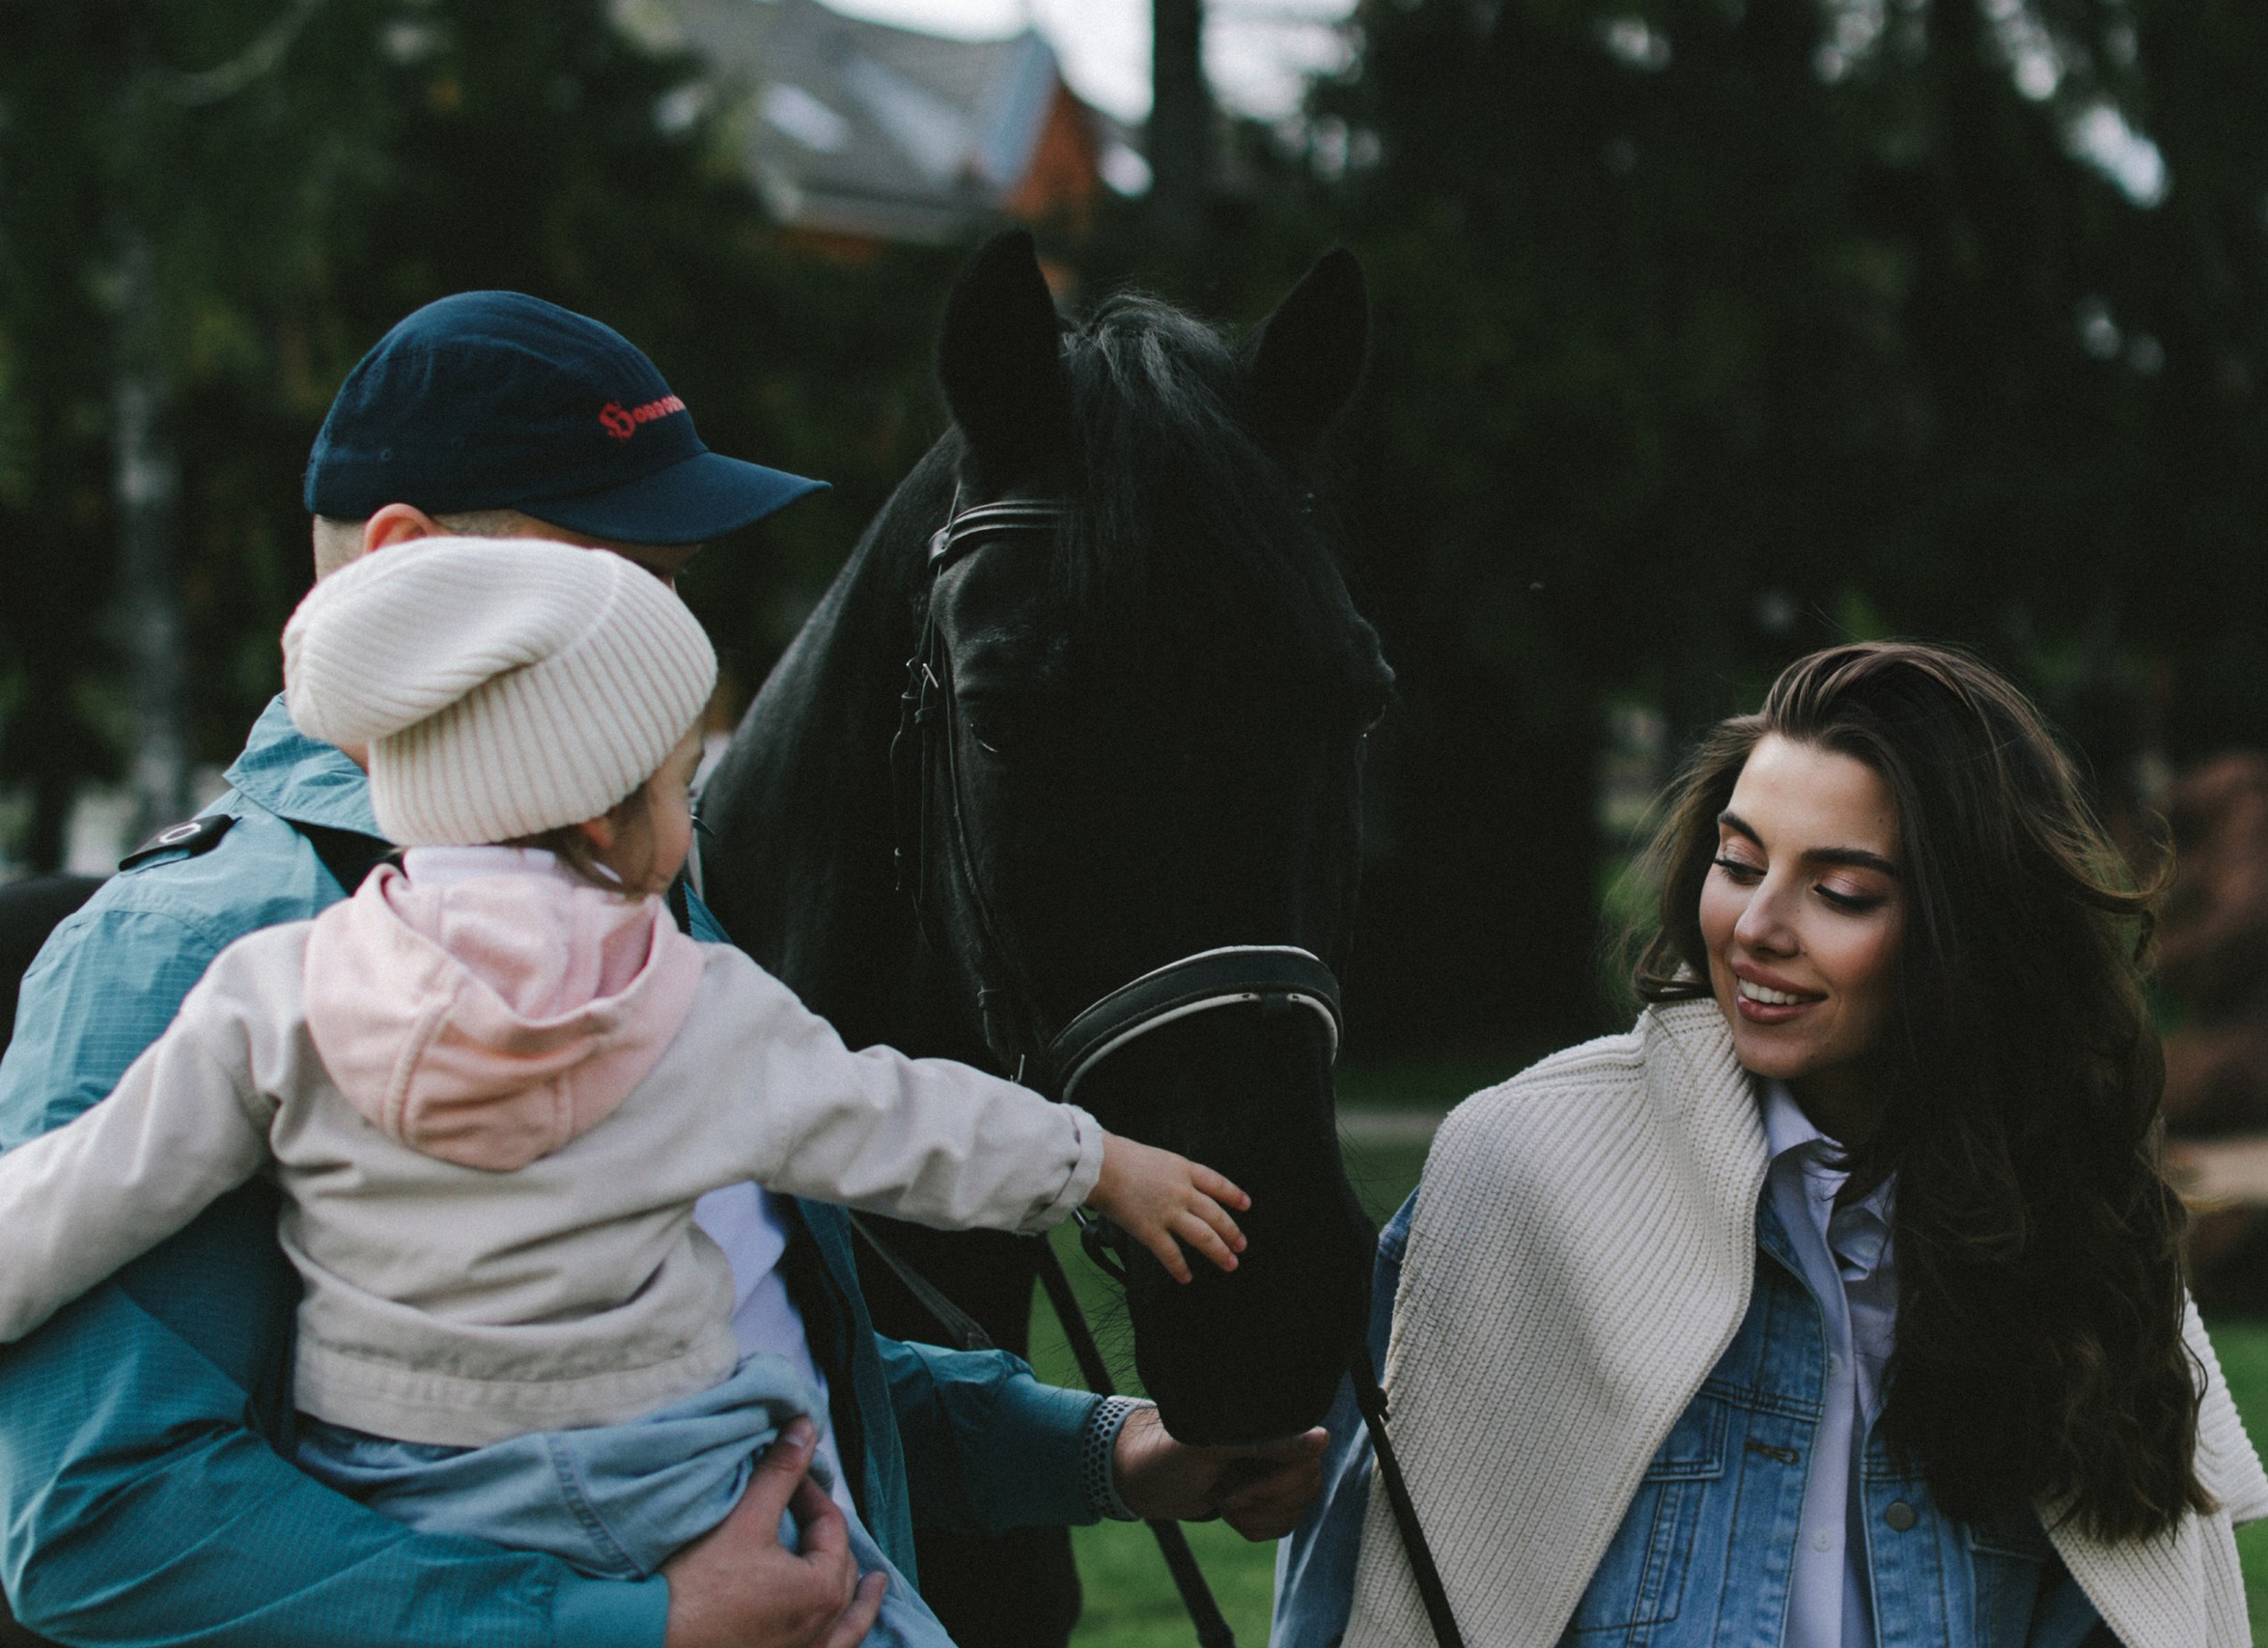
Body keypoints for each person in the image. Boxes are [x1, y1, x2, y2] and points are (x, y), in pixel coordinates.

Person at [0, 292, 1325, 1648]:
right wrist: (630, 1620)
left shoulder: (631, 895)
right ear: (392, 567)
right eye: (629, 581)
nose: (672, 658)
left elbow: (744, 1361)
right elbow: (106, 1519)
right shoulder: (197, 947)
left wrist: (1105, 1449)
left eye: (678, 588)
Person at [1274, 642, 2268, 1648]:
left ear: (1965, 932)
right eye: (1739, 862)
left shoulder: (2067, 1203)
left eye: (1838, 891)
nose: (1755, 926)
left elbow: (2126, 1593)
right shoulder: (1524, 1167)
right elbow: (1356, 1580)